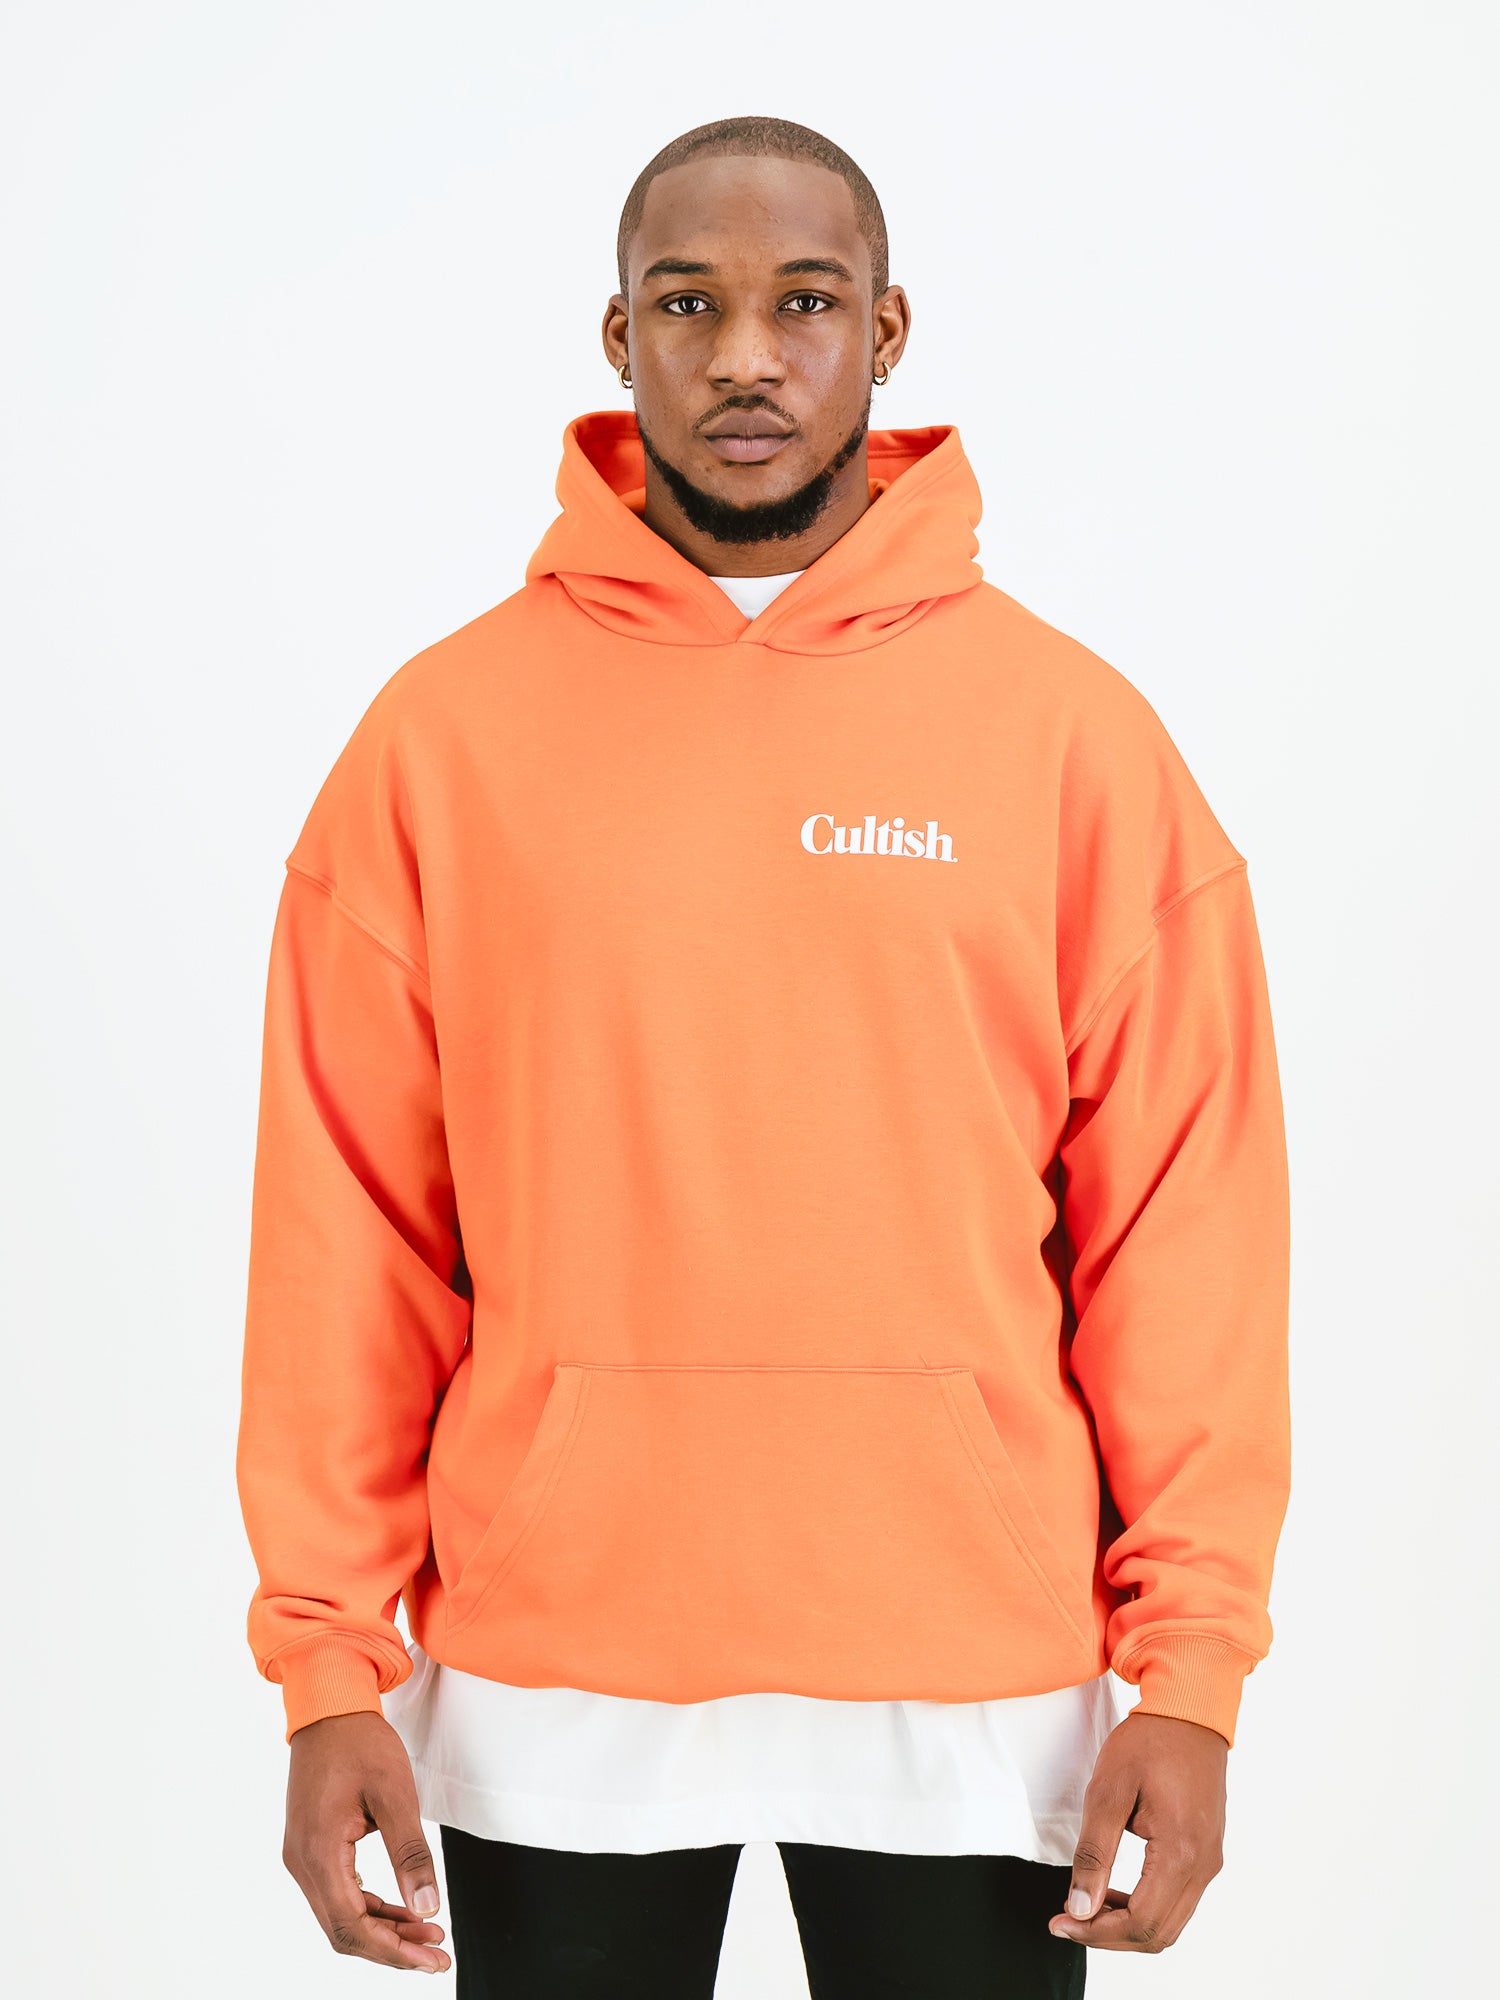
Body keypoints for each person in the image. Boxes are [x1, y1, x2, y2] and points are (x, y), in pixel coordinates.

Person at [236, 115, 1291, 1996]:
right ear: (618, 335)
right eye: (687, 304)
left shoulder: (1067, 738)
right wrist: (329, 1667)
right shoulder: (444, 739)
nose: (745, 355)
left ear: (884, 333)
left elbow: (1182, 1235)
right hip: (557, 1674)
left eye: (803, 303)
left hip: (969, 1683)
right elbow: (350, 1235)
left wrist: (1192, 1670)